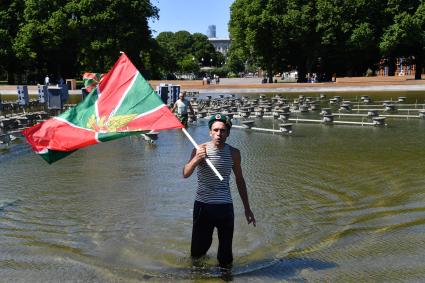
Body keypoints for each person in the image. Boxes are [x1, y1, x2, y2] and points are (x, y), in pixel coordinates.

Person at [183, 114, 256, 268]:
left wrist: (247, 209)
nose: (219, 134)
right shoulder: (199, 149)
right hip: (203, 206)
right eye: (215, 130)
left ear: (228, 133)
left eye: (223, 131)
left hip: (225, 207)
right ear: (210, 132)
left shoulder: (234, 153)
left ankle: (225, 276)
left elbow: (240, 180)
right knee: (197, 253)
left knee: (226, 256)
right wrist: (196, 160)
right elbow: (185, 174)